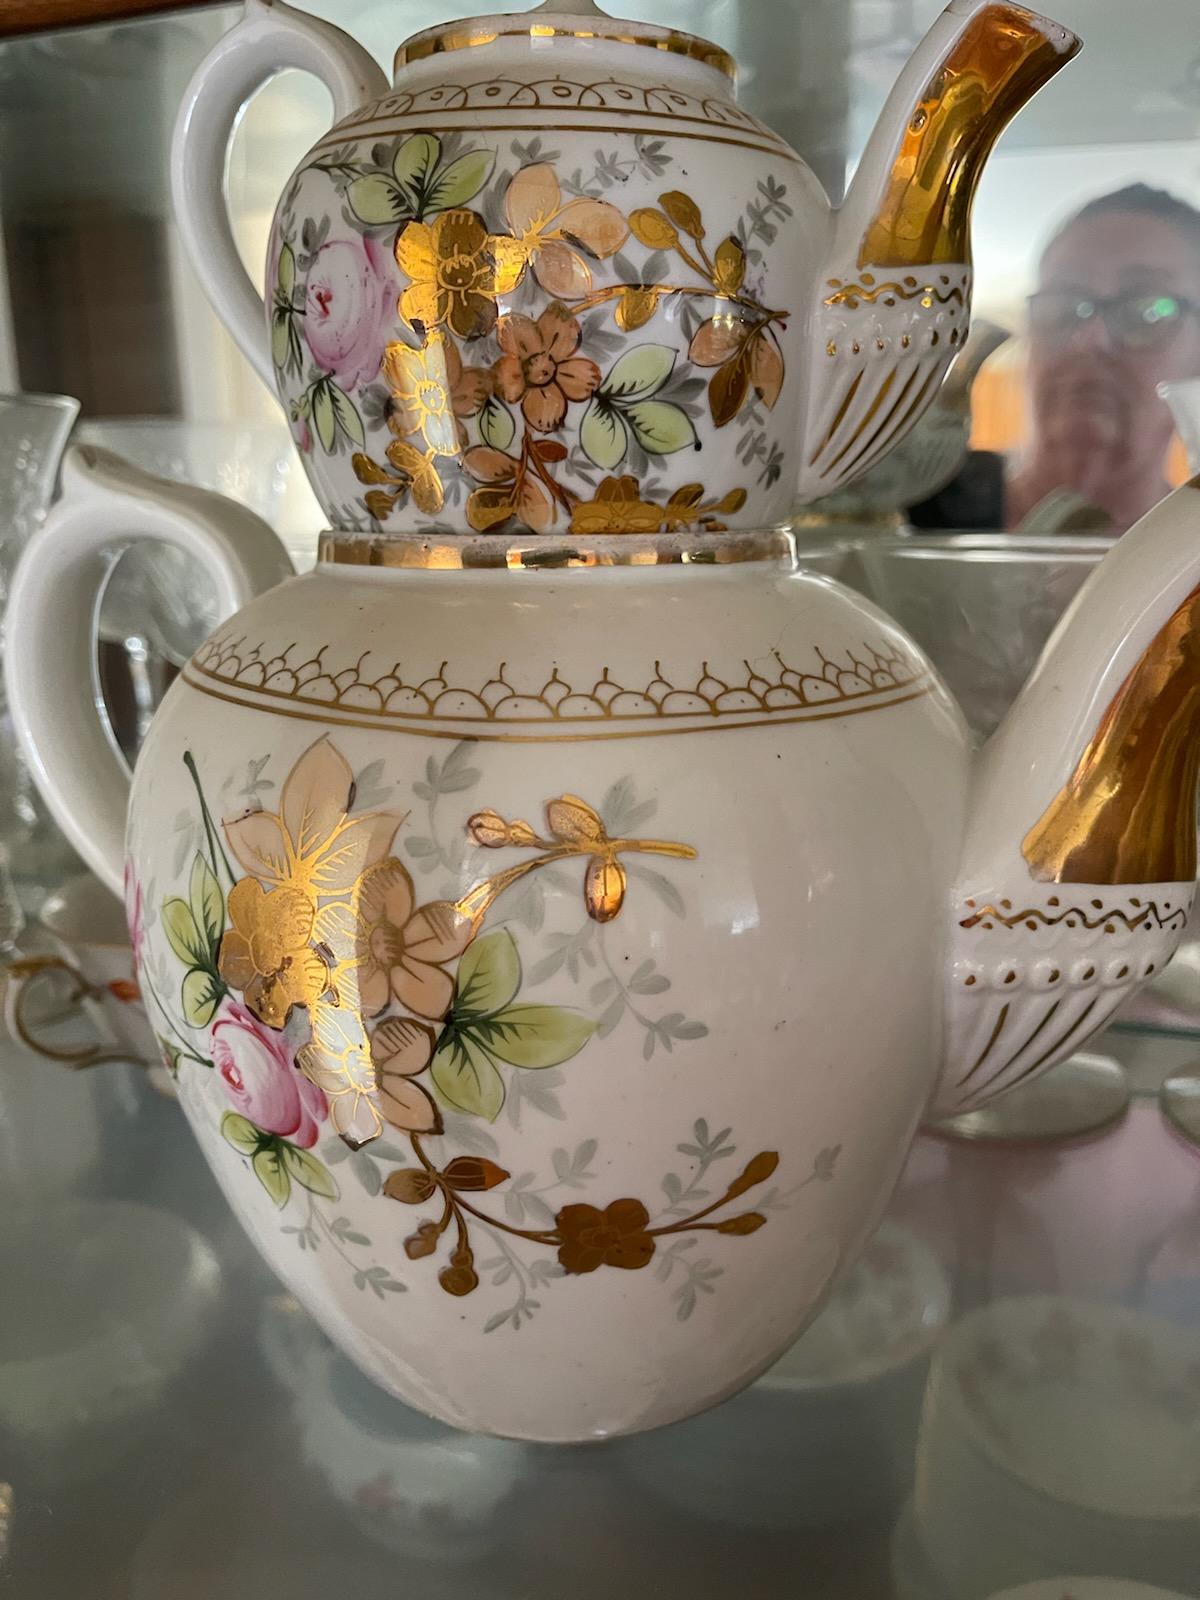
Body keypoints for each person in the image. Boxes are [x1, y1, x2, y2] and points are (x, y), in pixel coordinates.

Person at [1006, 183, 1200, 534]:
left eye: (1146, 311)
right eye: (1060, 307)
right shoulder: (923, 521)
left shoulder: (1191, 556)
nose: (1088, 340)